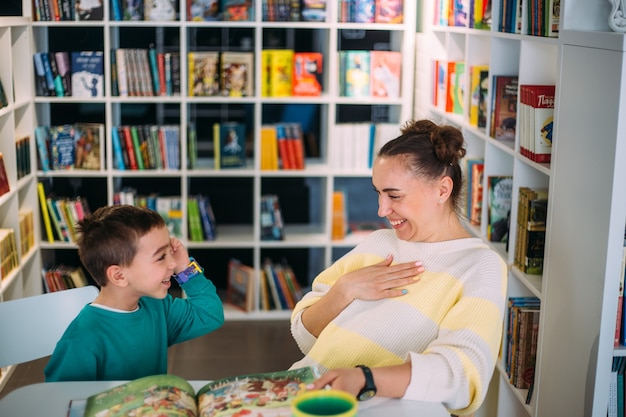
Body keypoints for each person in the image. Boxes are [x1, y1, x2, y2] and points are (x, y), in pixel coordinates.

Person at [289, 119, 507, 416]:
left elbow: (462, 376)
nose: (381, 210)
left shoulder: (479, 266)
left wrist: (365, 378)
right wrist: (344, 289)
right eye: (378, 193)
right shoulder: (379, 243)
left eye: (394, 196)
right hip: (300, 396)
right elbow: (303, 334)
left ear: (442, 190)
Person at [44, 204, 225, 382]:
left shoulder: (158, 307)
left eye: (170, 252)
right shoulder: (81, 342)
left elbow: (209, 314)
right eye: (161, 257)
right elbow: (61, 402)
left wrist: (186, 269)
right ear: (119, 275)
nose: (172, 264)